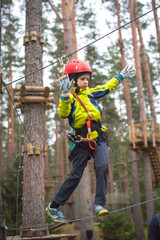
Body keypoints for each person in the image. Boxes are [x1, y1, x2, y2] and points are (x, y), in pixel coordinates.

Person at [46, 59, 136, 222]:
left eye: (87, 79)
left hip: (98, 136)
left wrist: (121, 76)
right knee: (75, 175)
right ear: (73, 79)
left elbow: (108, 86)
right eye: (82, 79)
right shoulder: (69, 97)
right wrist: (65, 95)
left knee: (102, 167)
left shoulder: (91, 92)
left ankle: (99, 204)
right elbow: (63, 113)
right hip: (81, 140)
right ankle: (54, 206)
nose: (86, 82)